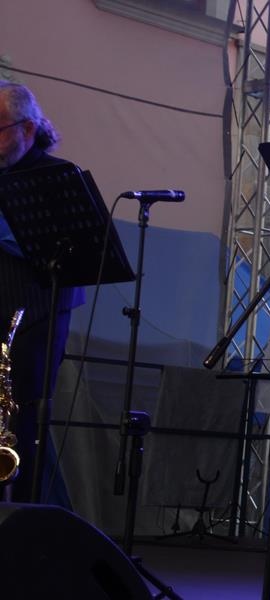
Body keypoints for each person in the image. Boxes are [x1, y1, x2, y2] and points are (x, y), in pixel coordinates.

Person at [0, 81, 84, 504]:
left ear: (27, 129)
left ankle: (48, 520)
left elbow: (71, 249)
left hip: (37, 315)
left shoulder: (58, 176)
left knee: (24, 424)